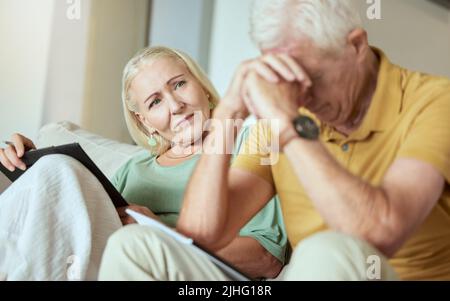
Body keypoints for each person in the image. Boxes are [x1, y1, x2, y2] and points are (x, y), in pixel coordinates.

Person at [103, 0, 450, 280]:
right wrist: (228, 115)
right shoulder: (274, 126)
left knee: (325, 250)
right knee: (133, 246)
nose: (300, 94)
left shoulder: (436, 102)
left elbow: (380, 233)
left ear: (356, 46)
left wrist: (289, 125)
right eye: (284, 73)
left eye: (310, 75)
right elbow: (201, 233)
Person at [0, 46, 287, 281]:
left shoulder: (253, 143)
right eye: (155, 102)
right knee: (53, 170)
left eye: (179, 84)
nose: (176, 105)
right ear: (144, 122)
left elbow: (267, 260)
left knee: (58, 169)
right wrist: (32, 170)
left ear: (202, 86)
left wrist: (162, 231)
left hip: (196, 274)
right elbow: (75, 226)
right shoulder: (134, 170)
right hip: (104, 269)